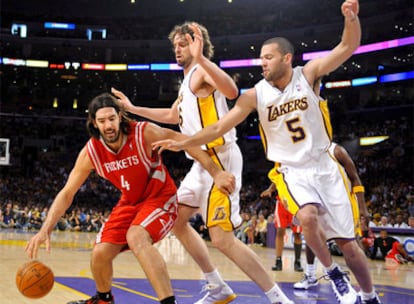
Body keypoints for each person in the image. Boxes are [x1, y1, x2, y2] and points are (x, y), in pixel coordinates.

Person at [152, 2, 381, 303]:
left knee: (350, 247)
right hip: (290, 171)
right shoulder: (255, 94)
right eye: (260, 58)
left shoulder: (308, 74)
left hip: (324, 164)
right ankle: (331, 274)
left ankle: (369, 295)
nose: (262, 63)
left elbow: (348, 45)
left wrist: (351, 18)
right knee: (308, 218)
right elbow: (220, 127)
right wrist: (184, 142)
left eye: (268, 58)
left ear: (287, 58)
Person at [112, 22, 293, 304]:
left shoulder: (200, 71)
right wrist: (133, 109)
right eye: (175, 46)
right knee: (177, 219)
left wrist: (200, 58)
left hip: (220, 159)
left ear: (197, 44)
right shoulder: (187, 82)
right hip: (200, 163)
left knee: (222, 239)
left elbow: (232, 91)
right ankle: (216, 285)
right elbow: (173, 115)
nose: (177, 50)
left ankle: (278, 298)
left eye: (183, 44)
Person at [24, 93, 236, 304]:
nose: (108, 125)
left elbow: (185, 141)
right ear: (94, 124)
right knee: (100, 252)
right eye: (102, 121)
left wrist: (216, 172)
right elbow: (67, 192)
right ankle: (103, 300)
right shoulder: (91, 152)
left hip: (159, 197)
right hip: (130, 202)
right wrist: (45, 229)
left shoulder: (144, 132)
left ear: (120, 117)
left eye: (111, 119)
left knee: (136, 236)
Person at [294, 142, 370, 290]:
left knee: (352, 243)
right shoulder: (305, 153)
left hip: (343, 202)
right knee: (312, 236)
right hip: (320, 201)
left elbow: (355, 179)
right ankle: (310, 275)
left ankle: (364, 285)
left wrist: (363, 208)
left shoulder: (337, 151)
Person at [260, 181, 304, 272]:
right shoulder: (282, 169)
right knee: (280, 231)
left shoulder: (298, 171)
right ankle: (278, 261)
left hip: (295, 204)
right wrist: (270, 189)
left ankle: (297, 261)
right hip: (281, 204)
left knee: (297, 234)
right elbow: (276, 180)